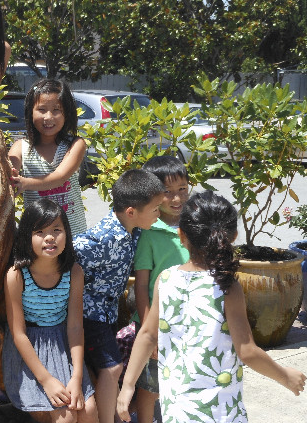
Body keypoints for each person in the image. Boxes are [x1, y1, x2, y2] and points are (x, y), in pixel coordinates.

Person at [117, 191, 307, 423]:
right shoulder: (227, 286)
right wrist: (284, 375)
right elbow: (247, 351)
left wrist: (128, 385)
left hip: (177, 409)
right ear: (233, 237)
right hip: (219, 411)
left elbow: (147, 334)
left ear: (181, 235)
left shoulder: (165, 280)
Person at [73, 169, 165, 423]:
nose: (159, 214)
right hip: (90, 315)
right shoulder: (102, 238)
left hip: (109, 313)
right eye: (155, 209)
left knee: (108, 369)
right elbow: (74, 252)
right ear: (131, 212)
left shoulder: (135, 230)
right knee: (112, 368)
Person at [3, 198, 98, 423]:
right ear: (26, 236)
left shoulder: (73, 272)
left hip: (64, 344)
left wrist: (76, 376)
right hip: (31, 351)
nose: (49, 237)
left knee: (89, 411)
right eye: (40, 231)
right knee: (66, 418)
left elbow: (75, 326)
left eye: (57, 230)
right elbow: (18, 334)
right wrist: (46, 380)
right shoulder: (17, 275)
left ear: (67, 233)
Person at [128, 155, 191, 422]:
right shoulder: (149, 232)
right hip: (157, 323)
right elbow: (141, 285)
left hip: (188, 321)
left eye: (182, 189)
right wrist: (148, 329)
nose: (176, 198)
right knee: (150, 386)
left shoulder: (195, 225)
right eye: (167, 192)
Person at [9, 79, 87, 235]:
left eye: (56, 110)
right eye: (42, 109)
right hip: (38, 236)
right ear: (30, 112)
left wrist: (25, 183)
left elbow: (59, 177)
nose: (48, 117)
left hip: (73, 234)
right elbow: (9, 171)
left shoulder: (75, 144)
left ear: (67, 113)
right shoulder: (20, 147)